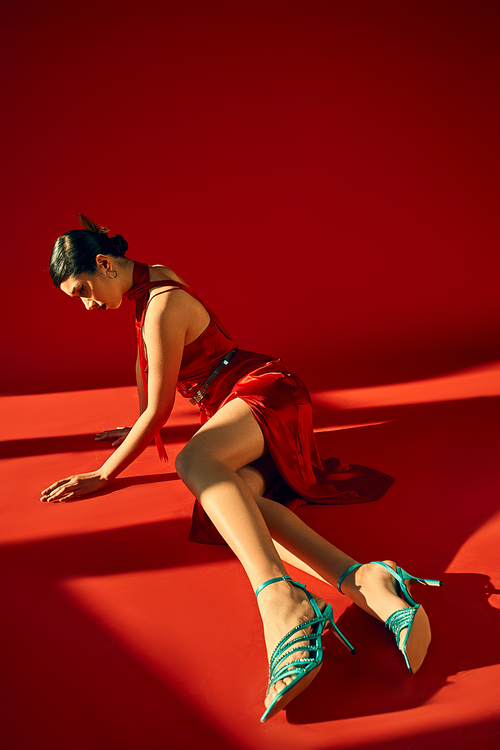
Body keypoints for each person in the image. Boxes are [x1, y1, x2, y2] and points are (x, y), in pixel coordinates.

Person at [42, 215, 442, 722]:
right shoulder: (150, 282)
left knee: (194, 462)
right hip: (235, 405)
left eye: (83, 290)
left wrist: (105, 474)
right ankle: (368, 582)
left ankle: (281, 603)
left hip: (263, 390)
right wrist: (134, 418)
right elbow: (144, 360)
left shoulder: (162, 304)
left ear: (103, 264)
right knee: (242, 508)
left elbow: (159, 411)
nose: (87, 304)